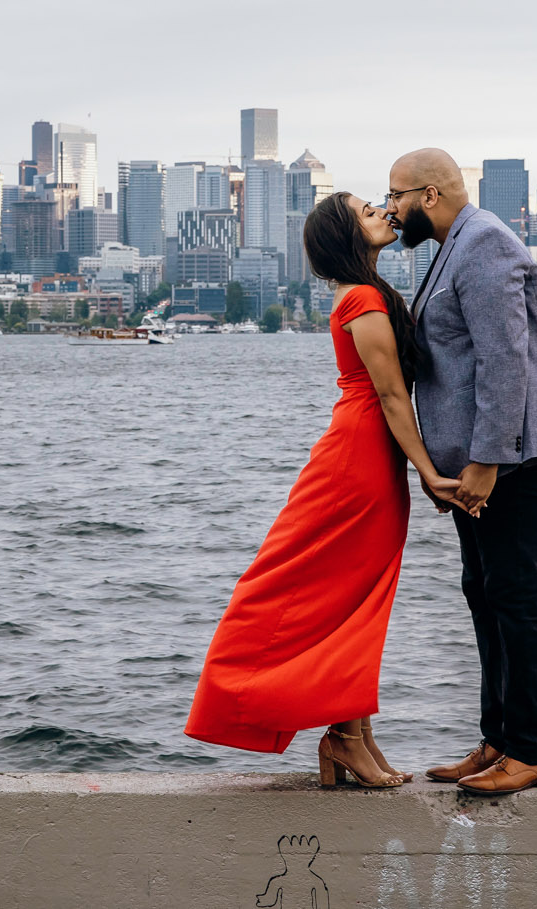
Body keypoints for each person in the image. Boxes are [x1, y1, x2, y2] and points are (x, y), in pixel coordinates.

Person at [186, 192, 464, 787]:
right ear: (346, 235)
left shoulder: (364, 291)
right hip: (360, 456)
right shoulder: (362, 297)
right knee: (347, 595)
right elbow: (390, 394)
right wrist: (427, 470)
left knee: (357, 599)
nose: (384, 214)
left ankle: (354, 737)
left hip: (367, 452)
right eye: (369, 211)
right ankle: (341, 736)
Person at [386, 148, 537, 795]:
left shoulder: (485, 244)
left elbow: (505, 364)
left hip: (518, 456)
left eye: (397, 196)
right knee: (484, 589)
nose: (391, 208)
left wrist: (482, 463)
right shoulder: (454, 244)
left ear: (432, 196)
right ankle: (498, 737)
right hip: (492, 457)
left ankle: (532, 749)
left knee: (512, 593)